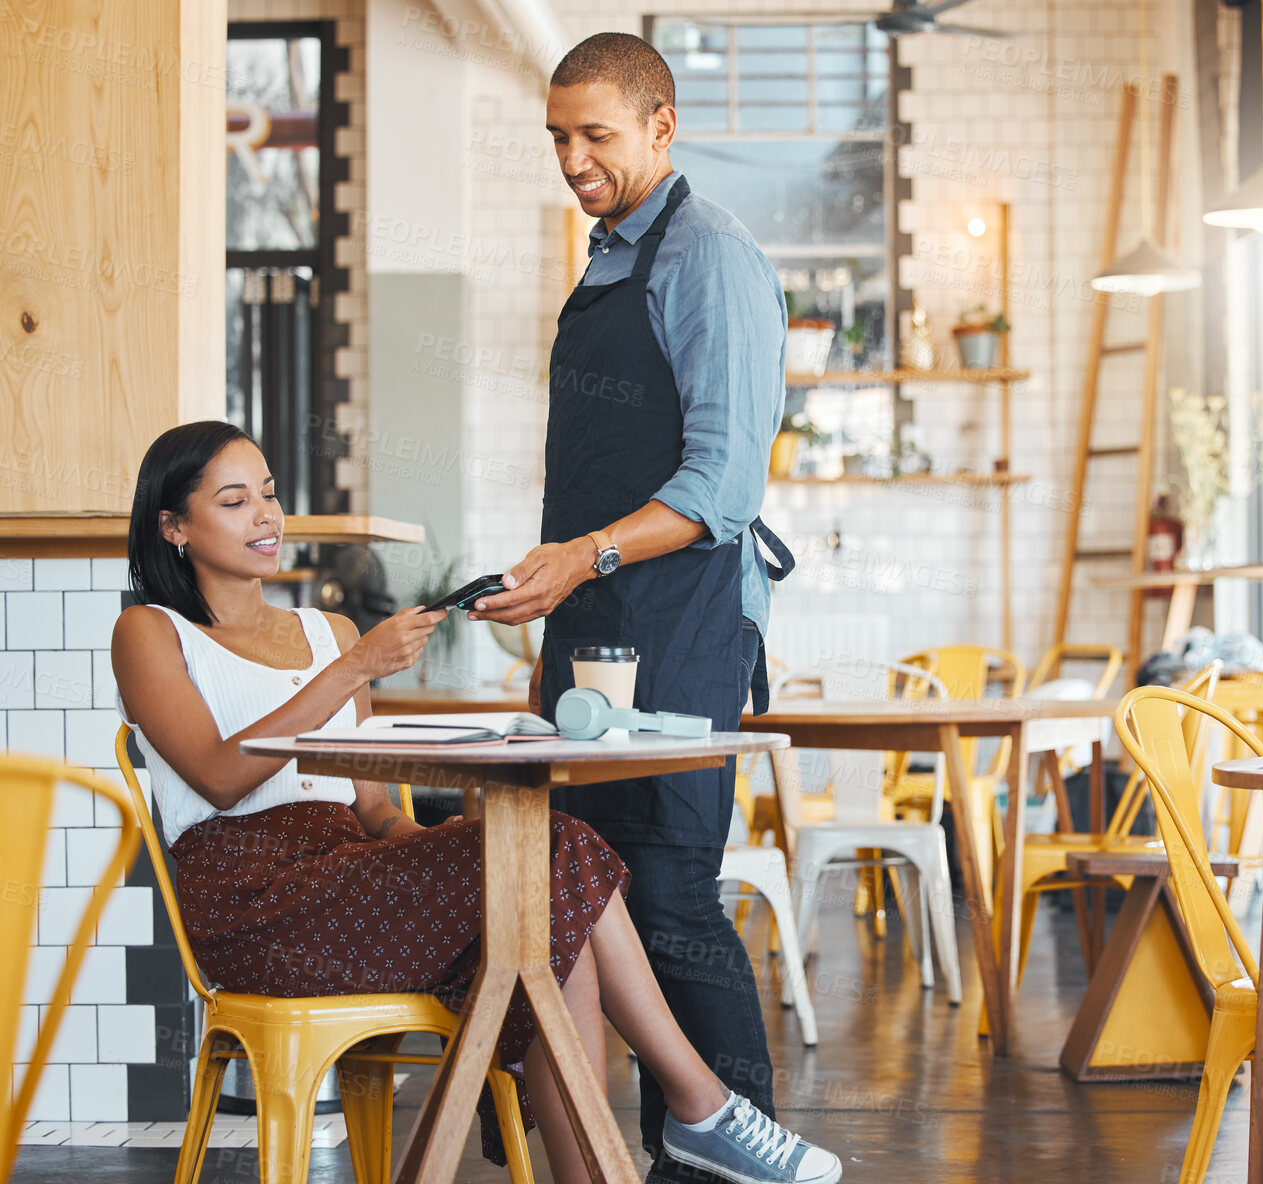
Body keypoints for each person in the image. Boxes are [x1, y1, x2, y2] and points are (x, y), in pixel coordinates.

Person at [110, 421, 840, 1184]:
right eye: (234, 501)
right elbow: (219, 775)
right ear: (173, 527)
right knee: (553, 861)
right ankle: (701, 1108)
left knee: (543, 889)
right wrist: (354, 669)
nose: (267, 516)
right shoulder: (152, 633)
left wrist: (437, 839)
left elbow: (372, 811)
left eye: (268, 494)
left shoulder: (325, 631)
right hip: (253, 904)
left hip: (344, 869)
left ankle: (665, 1132)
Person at [465, 33, 794, 1184]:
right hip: (597, 615)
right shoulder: (612, 254)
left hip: (686, 617)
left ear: (661, 126)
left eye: (595, 134)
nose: (573, 157)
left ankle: (733, 1145)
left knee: (664, 888)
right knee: (580, 884)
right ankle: (626, 1155)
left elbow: (720, 488)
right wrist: (554, 578)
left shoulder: (709, 256)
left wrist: (578, 555)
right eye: (558, 136)